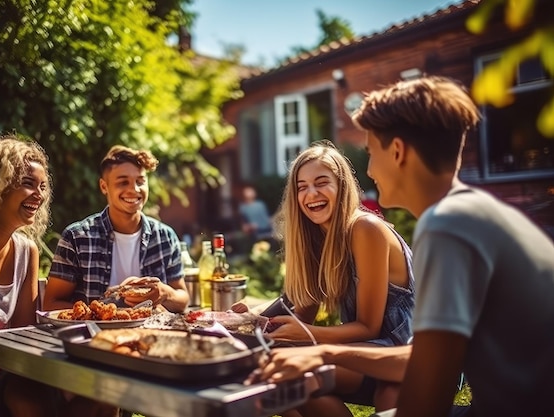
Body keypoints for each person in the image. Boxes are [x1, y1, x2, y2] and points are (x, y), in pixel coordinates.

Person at [248, 76, 554, 417]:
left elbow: (429, 386)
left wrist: (322, 351)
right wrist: (322, 352)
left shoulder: (449, 225)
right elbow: (427, 357)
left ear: (397, 151)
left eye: (370, 153)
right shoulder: (471, 213)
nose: (368, 170)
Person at [0, 135, 117, 417]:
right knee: (31, 403)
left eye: (42, 187)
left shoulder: (27, 251)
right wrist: (1, 346)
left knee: (102, 396)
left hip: (7, 368)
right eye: (28, 183)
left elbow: (23, 338)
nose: (39, 195)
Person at [237, 141, 415, 417]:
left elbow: (369, 327)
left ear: (342, 185)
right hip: (363, 348)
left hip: (404, 349)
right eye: (302, 187)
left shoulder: (365, 228)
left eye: (322, 183)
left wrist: (308, 337)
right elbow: (302, 307)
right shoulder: (319, 238)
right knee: (277, 371)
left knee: (297, 374)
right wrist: (249, 320)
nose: (311, 194)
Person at [44, 145, 189, 313]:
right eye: (123, 182)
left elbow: (183, 300)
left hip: (152, 335)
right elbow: (51, 304)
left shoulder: (165, 236)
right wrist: (105, 314)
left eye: (140, 181)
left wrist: (165, 293)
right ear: (104, 186)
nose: (134, 189)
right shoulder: (76, 237)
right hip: (93, 336)